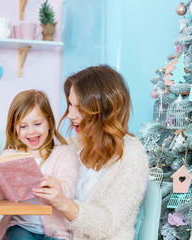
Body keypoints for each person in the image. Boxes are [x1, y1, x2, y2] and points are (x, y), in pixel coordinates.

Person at [32, 65, 149, 240]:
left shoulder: (131, 155)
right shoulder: (73, 145)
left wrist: (64, 203)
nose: (70, 115)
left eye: (79, 108)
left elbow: (106, 223)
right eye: (70, 104)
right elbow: (37, 171)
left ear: (105, 110)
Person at [0, 90, 78, 240]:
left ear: (49, 122)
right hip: (21, 227)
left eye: (37, 123)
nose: (31, 131)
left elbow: (68, 190)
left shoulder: (64, 154)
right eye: (23, 126)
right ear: (14, 129)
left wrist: (51, 186)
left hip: (56, 231)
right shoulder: (8, 157)